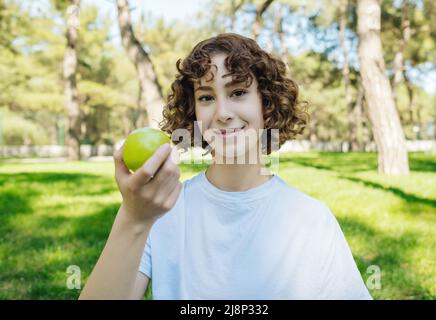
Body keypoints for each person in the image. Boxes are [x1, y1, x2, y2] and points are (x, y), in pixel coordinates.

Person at [79, 33, 372, 300]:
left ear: (266, 104)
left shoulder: (312, 219)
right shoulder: (159, 209)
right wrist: (132, 218)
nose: (222, 113)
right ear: (194, 113)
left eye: (238, 92)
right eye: (206, 97)